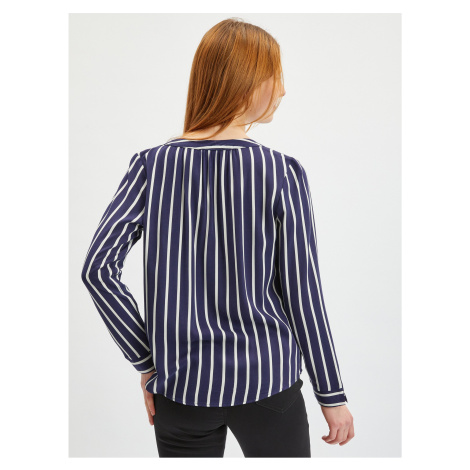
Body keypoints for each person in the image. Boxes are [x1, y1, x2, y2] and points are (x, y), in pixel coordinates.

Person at [81, 17, 354, 458]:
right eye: (275, 76)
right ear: (244, 82)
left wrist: (147, 363)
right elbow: (302, 292)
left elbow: (97, 271)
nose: (283, 90)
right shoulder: (280, 172)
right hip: (268, 383)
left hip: (181, 390)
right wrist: (331, 394)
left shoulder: (150, 167)